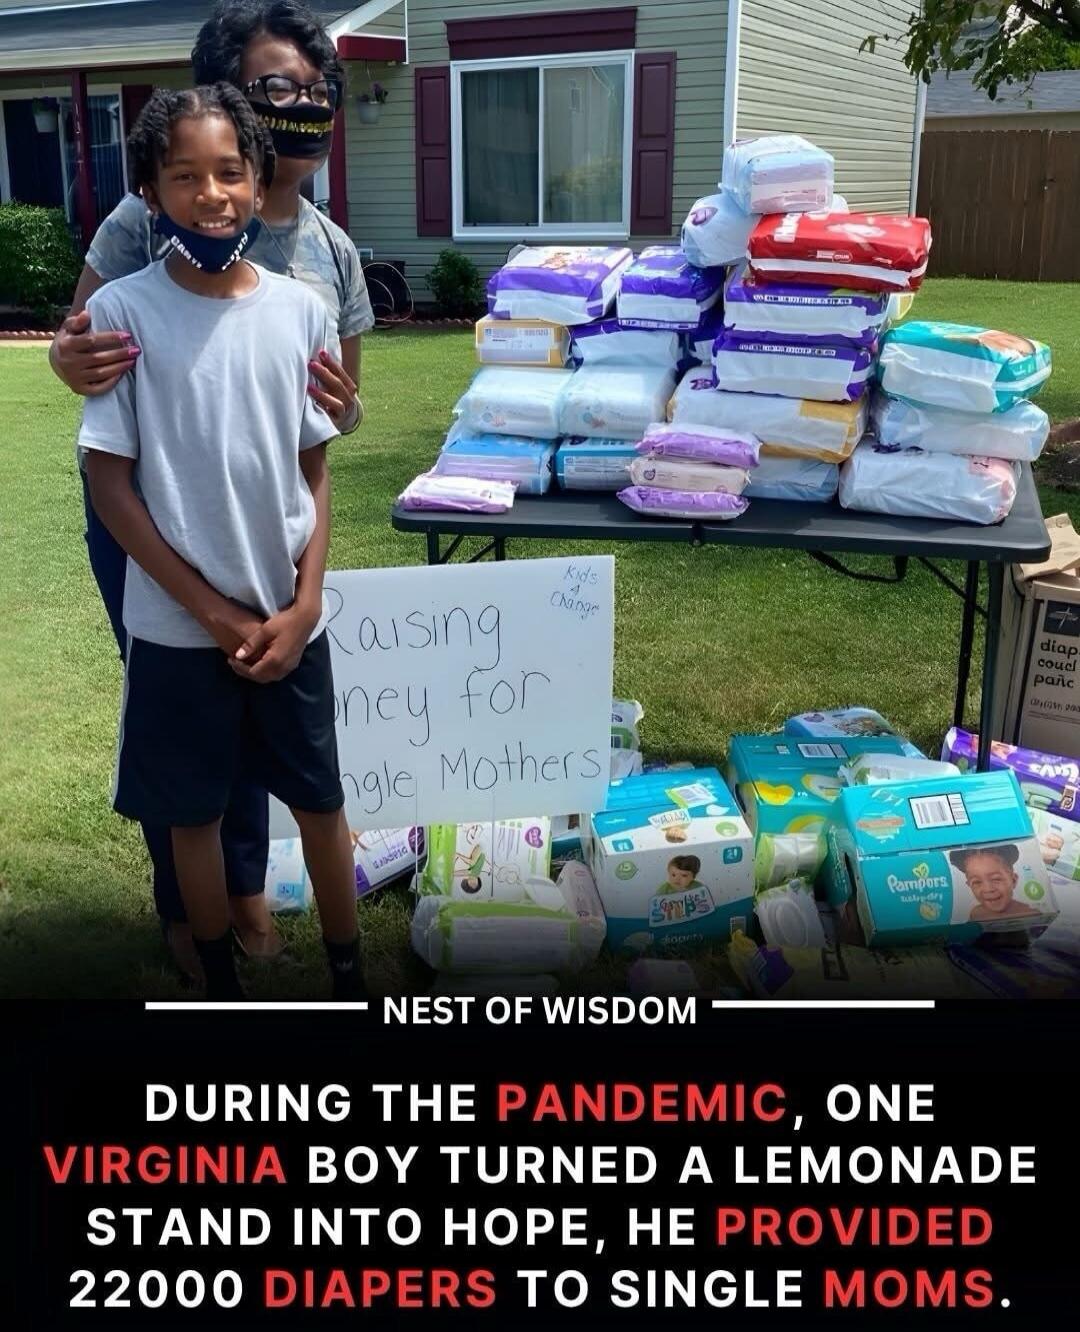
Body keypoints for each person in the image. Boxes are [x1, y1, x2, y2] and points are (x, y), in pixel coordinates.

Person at [50, 0, 374, 981]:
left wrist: (305, 590)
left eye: (314, 89)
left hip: (271, 555)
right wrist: (71, 363)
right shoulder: (139, 231)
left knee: (290, 759)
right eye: (276, 86)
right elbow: (85, 347)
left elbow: (331, 424)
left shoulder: (325, 261)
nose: (299, 103)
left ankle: (255, 912)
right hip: (164, 532)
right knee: (189, 762)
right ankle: (197, 933)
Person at [951, 846, 1041, 924]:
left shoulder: (1029, 913)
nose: (988, 889)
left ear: (1013, 880)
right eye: (977, 882)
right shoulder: (976, 913)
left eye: (996, 879)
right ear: (969, 886)